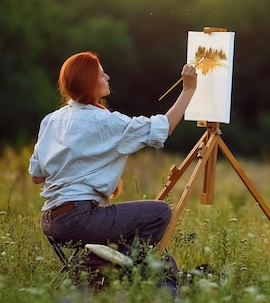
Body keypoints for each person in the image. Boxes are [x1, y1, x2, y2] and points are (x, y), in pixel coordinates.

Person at [28, 51, 197, 291]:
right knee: (159, 212)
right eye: (101, 74)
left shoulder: (51, 121)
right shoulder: (105, 122)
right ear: (89, 82)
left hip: (51, 221)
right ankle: (116, 271)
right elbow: (162, 128)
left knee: (136, 224)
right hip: (80, 219)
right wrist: (188, 90)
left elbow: (37, 176)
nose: (107, 76)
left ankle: (147, 278)